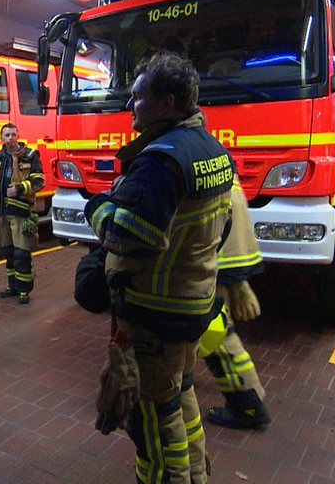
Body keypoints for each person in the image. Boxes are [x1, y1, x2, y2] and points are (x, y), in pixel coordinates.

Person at [84, 51, 234, 484]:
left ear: (167, 102)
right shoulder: (210, 149)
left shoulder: (160, 160)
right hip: (192, 305)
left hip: (154, 313)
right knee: (180, 398)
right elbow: (218, 230)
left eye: (138, 97)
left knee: (152, 419)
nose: (131, 106)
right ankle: (197, 475)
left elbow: (134, 235)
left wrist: (99, 208)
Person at [201, 176, 272, 431]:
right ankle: (248, 400)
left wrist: (237, 282)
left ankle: (247, 404)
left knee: (215, 333)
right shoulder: (211, 153)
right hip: (221, 253)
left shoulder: (175, 151)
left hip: (205, 261)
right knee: (216, 330)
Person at [0, 122, 45, 304]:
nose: (10, 138)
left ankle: (24, 290)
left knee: (22, 253)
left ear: (18, 135)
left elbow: (39, 181)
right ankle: (12, 286)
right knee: (8, 252)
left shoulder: (30, 156)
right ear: (1, 138)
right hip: (2, 213)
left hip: (21, 212)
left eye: (13, 134)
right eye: (7, 135)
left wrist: (19, 189)